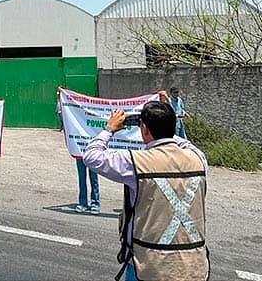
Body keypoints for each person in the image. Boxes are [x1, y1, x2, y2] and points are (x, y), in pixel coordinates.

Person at [82, 102, 209, 281]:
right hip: (193, 267)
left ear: (146, 131)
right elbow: (184, 143)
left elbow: (91, 156)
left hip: (149, 267)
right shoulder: (198, 159)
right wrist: (164, 127)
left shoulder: (136, 162)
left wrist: (109, 128)